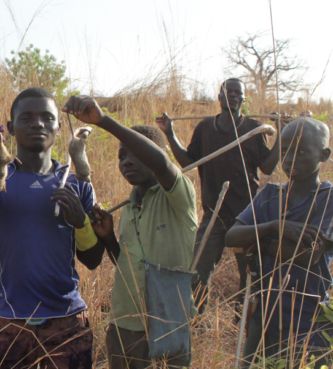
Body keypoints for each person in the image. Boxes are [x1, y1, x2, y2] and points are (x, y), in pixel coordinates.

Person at [0, 88, 105, 368]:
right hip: (10, 322)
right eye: (27, 118)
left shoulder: (76, 183)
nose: (38, 124)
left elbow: (93, 260)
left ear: (59, 126)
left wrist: (80, 222)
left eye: (48, 118)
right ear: (10, 128)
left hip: (66, 321)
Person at [68, 96, 198, 368]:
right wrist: (108, 238)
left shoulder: (178, 196)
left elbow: (161, 164)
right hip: (124, 322)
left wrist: (103, 121)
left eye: (135, 153)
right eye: (121, 156)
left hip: (167, 322)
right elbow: (125, 265)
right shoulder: (128, 207)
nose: (126, 161)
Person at [156, 78, 280, 313]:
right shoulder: (204, 128)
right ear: (219, 97)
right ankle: (198, 321)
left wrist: (282, 135)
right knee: (197, 271)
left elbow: (267, 168)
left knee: (250, 274)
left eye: (237, 93)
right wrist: (170, 134)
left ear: (243, 99)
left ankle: (241, 321)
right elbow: (190, 163)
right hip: (214, 214)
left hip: (247, 216)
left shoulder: (253, 128)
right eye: (227, 91)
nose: (232, 95)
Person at [226, 118, 333, 369]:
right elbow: (231, 237)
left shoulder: (327, 199)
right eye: (284, 151)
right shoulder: (270, 195)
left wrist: (259, 242)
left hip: (309, 322)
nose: (290, 159)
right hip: (265, 316)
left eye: (302, 151)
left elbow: (307, 255)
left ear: (324, 155)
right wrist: (275, 227)